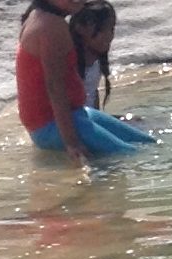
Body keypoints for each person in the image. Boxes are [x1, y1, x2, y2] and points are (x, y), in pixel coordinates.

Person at [16, 0, 152, 163]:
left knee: (149, 144)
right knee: (132, 155)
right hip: (49, 125)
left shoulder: (43, 16)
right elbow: (55, 88)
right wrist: (72, 143)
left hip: (77, 114)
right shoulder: (50, 28)